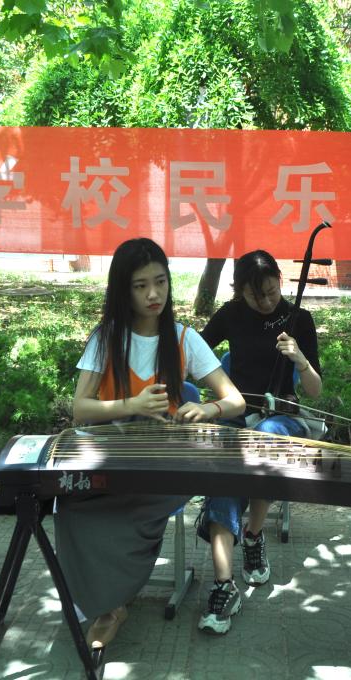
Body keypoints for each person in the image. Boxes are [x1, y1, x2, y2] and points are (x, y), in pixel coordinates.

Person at [54, 237, 245, 649]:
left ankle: (112, 602)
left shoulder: (182, 338)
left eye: (160, 282)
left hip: (164, 463)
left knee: (134, 510)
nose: (153, 294)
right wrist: (131, 404)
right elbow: (80, 409)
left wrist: (207, 409)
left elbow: (235, 400)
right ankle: (108, 604)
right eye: (140, 286)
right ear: (123, 291)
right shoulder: (107, 338)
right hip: (111, 458)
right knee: (71, 509)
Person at [195, 250, 322, 634]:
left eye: (271, 292)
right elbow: (195, 352)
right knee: (225, 473)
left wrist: (300, 359)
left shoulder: (299, 319)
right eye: (256, 295)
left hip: (283, 419)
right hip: (237, 414)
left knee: (262, 441)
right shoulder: (230, 315)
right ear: (240, 291)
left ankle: (253, 535)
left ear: (279, 282)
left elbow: (315, 391)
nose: (266, 302)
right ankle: (224, 584)